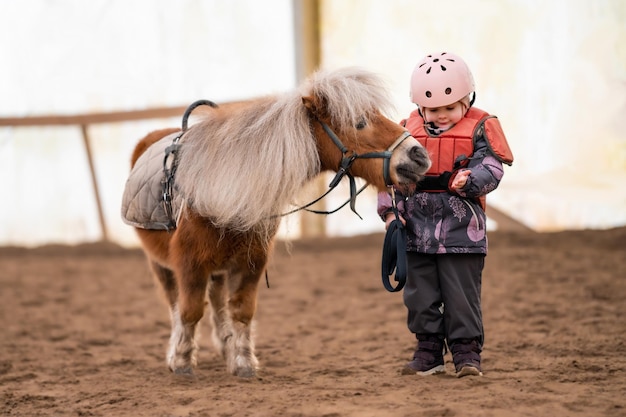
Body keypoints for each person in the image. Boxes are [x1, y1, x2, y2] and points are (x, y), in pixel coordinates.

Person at [378, 52, 514, 377]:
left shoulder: (482, 129)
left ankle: (466, 355)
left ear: (467, 101)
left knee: (461, 298)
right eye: (433, 109)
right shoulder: (404, 132)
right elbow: (387, 175)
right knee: (419, 297)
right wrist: (389, 213)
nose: (441, 115)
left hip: (462, 233)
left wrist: (472, 181)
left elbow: (493, 167)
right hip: (415, 232)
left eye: (450, 108)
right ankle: (428, 353)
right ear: (420, 107)